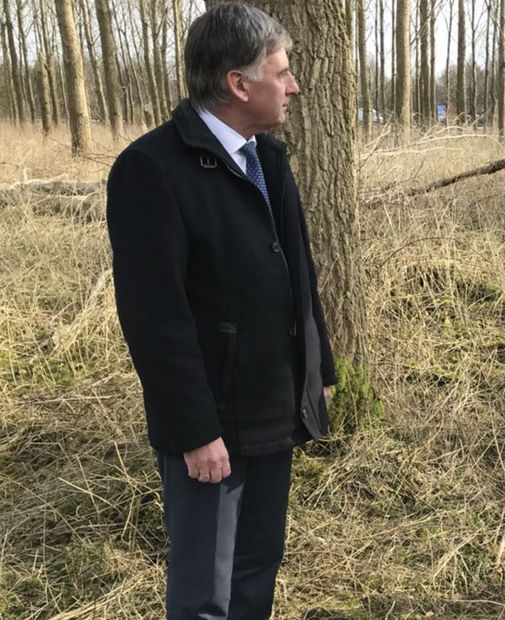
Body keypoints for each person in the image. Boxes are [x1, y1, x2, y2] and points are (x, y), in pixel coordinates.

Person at [106, 4, 336, 618]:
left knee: (258, 567)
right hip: (212, 429)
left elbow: (300, 278)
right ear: (238, 84)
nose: (293, 86)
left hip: (274, 408)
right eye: (281, 73)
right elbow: (156, 321)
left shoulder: (270, 160)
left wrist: (319, 375)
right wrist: (195, 431)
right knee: (205, 593)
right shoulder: (150, 170)